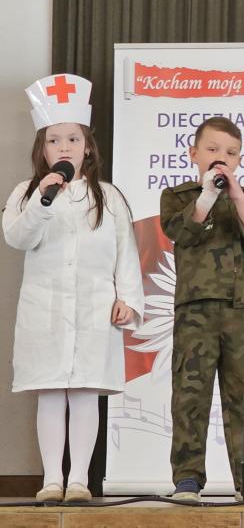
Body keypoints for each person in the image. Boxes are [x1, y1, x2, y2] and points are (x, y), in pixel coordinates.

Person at [2, 74, 144, 503]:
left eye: (72, 139)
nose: (63, 147)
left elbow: (126, 252)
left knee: (84, 391)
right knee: (50, 390)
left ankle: (79, 479)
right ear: (42, 150)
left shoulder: (108, 197)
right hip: (44, 309)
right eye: (54, 140)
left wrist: (128, 299)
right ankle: (51, 479)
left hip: (95, 309)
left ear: (88, 148)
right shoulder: (26, 193)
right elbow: (18, 238)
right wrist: (43, 199)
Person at [160, 116, 244, 501]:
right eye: (212, 150)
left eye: (230, 153)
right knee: (190, 395)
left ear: (239, 159)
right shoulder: (178, 197)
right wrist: (207, 194)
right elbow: (181, 231)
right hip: (195, 310)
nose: (221, 158)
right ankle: (187, 478)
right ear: (194, 153)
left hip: (239, 308)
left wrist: (235, 192)